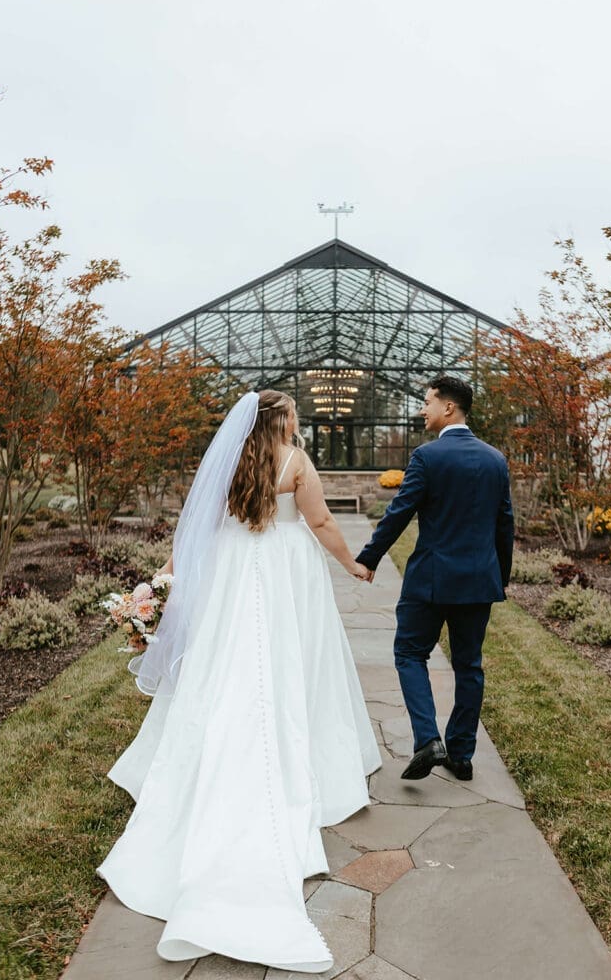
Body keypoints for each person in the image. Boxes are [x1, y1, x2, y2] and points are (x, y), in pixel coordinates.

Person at [97, 390, 381, 972]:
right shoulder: (295, 460)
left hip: (230, 566)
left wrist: (167, 581)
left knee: (225, 658)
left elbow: (194, 523)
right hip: (285, 568)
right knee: (292, 655)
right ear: (284, 421)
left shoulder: (227, 461)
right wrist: (351, 562)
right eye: (294, 414)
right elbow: (321, 520)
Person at [356, 376, 513, 783]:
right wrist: (500, 577)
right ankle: (461, 756)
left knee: (409, 654)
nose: (422, 409)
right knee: (469, 665)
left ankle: (428, 740)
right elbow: (504, 525)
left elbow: (399, 513)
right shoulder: (496, 459)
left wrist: (369, 557)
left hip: (429, 580)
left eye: (427, 402)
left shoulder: (428, 457)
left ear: (449, 408)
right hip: (478, 581)